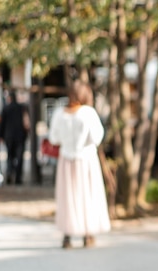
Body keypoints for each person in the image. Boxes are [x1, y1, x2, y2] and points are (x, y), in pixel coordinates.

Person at [48, 80, 110, 249]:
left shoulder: (59, 113)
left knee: (67, 196)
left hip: (66, 159)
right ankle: (87, 234)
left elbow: (53, 138)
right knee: (87, 195)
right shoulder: (88, 113)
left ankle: (67, 235)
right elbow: (96, 137)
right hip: (86, 159)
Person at [0, 90, 30, 185]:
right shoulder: (22, 108)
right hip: (20, 136)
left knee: (10, 156)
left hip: (9, 136)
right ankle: (18, 177)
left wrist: (1, 136)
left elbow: (1, 123)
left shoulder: (6, 108)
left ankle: (9, 173)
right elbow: (27, 123)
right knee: (20, 157)